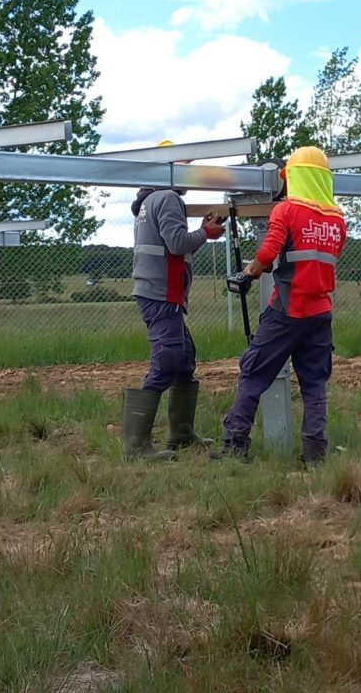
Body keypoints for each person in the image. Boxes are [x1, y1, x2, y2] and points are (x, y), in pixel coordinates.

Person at [219, 145, 347, 463]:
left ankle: (235, 446)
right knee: (314, 386)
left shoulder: (286, 211)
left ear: (292, 177)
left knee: (253, 374)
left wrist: (251, 270)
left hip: (287, 310)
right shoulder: (337, 219)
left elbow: (268, 252)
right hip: (320, 313)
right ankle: (315, 456)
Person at [123, 142, 225, 460]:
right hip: (162, 294)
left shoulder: (148, 200)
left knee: (184, 359)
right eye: (183, 168)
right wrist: (206, 233)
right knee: (168, 360)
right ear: (168, 169)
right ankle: (136, 446)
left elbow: (174, 246)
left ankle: (180, 434)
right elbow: (178, 244)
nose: (188, 175)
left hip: (159, 293)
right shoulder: (167, 197)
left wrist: (201, 231)